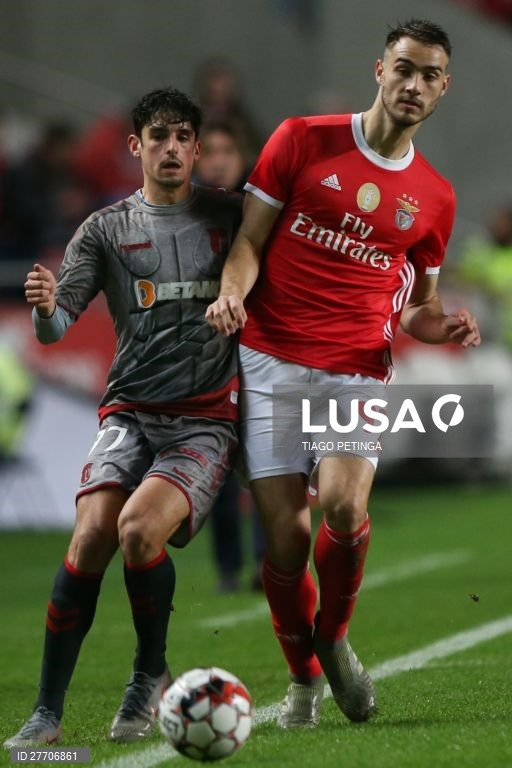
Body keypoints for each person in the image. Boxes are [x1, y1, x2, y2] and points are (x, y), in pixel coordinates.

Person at [206, 19, 480, 729]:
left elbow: (418, 307)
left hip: (356, 370)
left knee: (345, 509)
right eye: (403, 69)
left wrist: (443, 325)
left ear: (444, 88)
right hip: (269, 360)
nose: (413, 85)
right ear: (379, 69)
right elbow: (248, 242)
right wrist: (233, 290)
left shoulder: (435, 197)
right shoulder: (301, 139)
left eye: (429, 76)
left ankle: (332, 638)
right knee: (288, 543)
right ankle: (303, 680)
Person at [4, 87, 241, 748]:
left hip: (201, 421)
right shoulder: (104, 230)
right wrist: (48, 305)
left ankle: (146, 676)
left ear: (197, 148)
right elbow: (54, 331)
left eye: (183, 137)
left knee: (139, 531)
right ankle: (47, 713)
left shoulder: (233, 219)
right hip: (130, 413)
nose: (171, 148)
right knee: (87, 542)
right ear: (134, 146)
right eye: (158, 136)